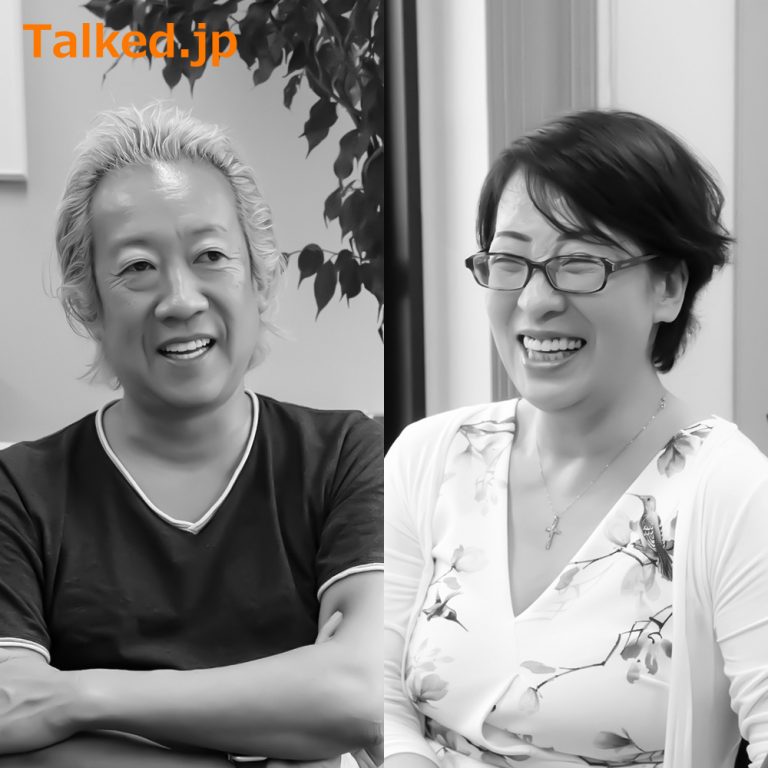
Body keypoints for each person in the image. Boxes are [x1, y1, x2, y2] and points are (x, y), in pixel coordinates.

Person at [0, 104, 382, 766]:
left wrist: (75, 699)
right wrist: (285, 734)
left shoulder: (346, 455)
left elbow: (359, 695)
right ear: (88, 303)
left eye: (210, 256)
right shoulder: (21, 491)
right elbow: (9, 715)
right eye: (137, 267)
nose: (180, 300)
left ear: (260, 278)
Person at [384, 110, 768, 768]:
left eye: (580, 263)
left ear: (669, 287)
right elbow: (379, 688)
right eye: (511, 261)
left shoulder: (731, 493)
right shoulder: (431, 457)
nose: (535, 301)